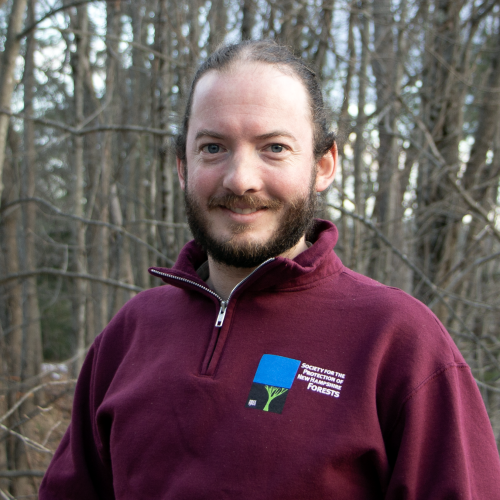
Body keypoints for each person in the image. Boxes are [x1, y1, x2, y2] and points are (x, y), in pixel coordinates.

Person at [40, 40, 500, 499]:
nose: (240, 179)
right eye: (213, 147)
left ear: (323, 165)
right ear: (183, 165)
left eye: (274, 147)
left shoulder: (397, 341)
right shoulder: (130, 335)